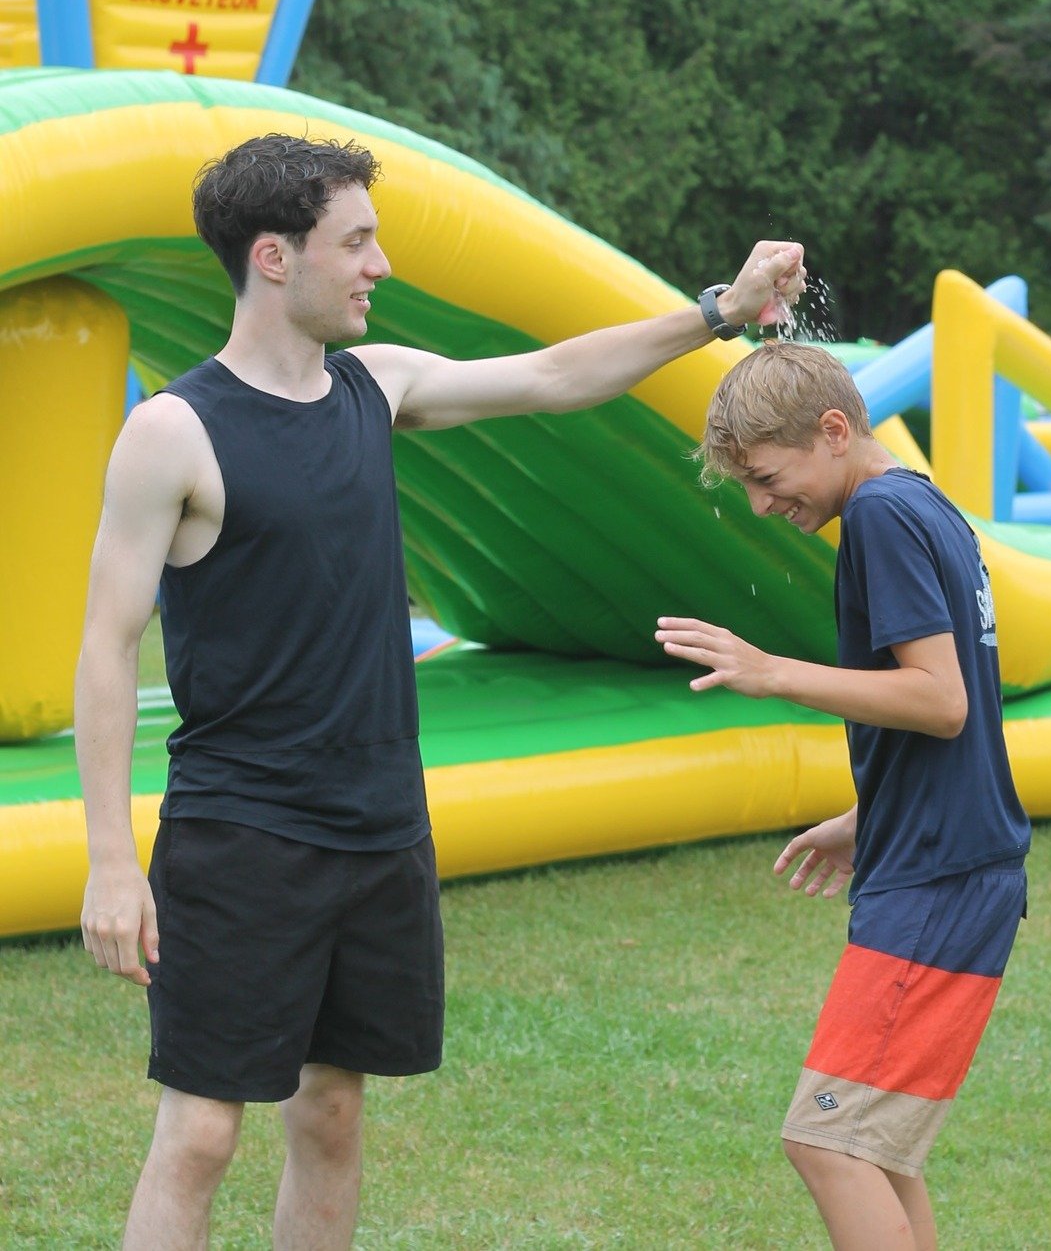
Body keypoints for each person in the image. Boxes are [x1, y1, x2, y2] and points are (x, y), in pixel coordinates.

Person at [75, 131, 805, 1251]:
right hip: (240, 837)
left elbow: (559, 377)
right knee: (202, 1134)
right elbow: (107, 647)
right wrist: (113, 862)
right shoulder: (173, 431)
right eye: (356, 242)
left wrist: (717, 309)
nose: (380, 265)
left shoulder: (377, 384)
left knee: (332, 1111)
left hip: (379, 829)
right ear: (274, 256)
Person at [655, 341, 1030, 1251]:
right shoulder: (923, 500)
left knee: (824, 1138)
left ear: (832, 431)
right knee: (880, 1149)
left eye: (766, 475)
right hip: (946, 860)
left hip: (940, 883)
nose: (759, 502)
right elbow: (966, 702)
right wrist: (874, 815)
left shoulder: (878, 518)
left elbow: (940, 700)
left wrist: (770, 669)